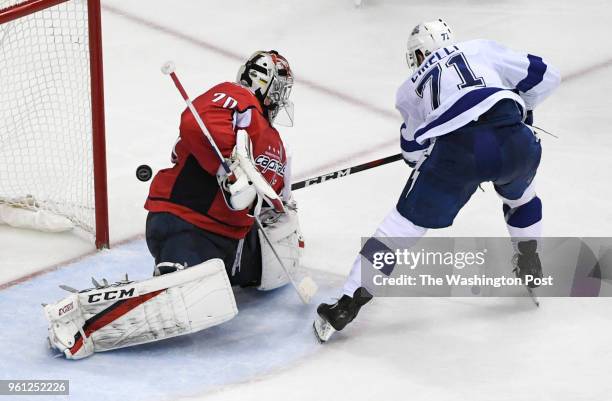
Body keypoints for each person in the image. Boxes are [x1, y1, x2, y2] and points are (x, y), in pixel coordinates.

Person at [313, 19, 561, 342]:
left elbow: (412, 154)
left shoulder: (408, 88)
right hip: (512, 139)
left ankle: (347, 304)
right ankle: (530, 259)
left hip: (457, 154)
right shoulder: (480, 48)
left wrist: (438, 147)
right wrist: (523, 113)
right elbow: (547, 75)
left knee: (399, 229)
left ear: (418, 54)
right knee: (522, 196)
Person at [145, 49, 301, 289]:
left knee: (272, 256)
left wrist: (275, 201)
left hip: (221, 238)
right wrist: (227, 166)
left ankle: (182, 274)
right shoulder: (238, 98)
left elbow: (266, 202)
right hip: (192, 225)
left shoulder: (270, 137)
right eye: (279, 88)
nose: (280, 97)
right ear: (265, 83)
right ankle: (172, 275)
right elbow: (195, 125)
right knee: (182, 291)